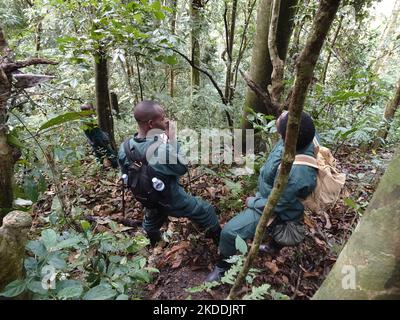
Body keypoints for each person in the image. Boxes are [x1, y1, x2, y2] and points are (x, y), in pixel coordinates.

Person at [205, 111, 318, 282]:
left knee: (229, 232)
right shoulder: (302, 136)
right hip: (275, 193)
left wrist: (253, 201)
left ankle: (223, 268)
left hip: (278, 205)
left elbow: (277, 205)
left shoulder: (297, 172)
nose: (283, 113)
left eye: (282, 120)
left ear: (289, 136)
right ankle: (273, 246)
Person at [118, 100, 221, 246]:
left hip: (147, 198)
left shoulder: (125, 147)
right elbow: (182, 168)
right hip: (170, 198)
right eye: (162, 118)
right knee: (207, 210)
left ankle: (155, 242)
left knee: (151, 222)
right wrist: (172, 139)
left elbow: (124, 174)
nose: (166, 120)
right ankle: (221, 244)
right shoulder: (161, 150)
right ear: (151, 124)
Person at [80, 103, 118, 168]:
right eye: (90, 110)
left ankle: (101, 169)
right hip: (98, 142)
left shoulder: (85, 119)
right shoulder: (87, 121)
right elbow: (95, 133)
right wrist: (103, 140)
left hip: (94, 142)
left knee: (99, 157)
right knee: (110, 154)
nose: (92, 111)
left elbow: (97, 131)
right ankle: (116, 166)